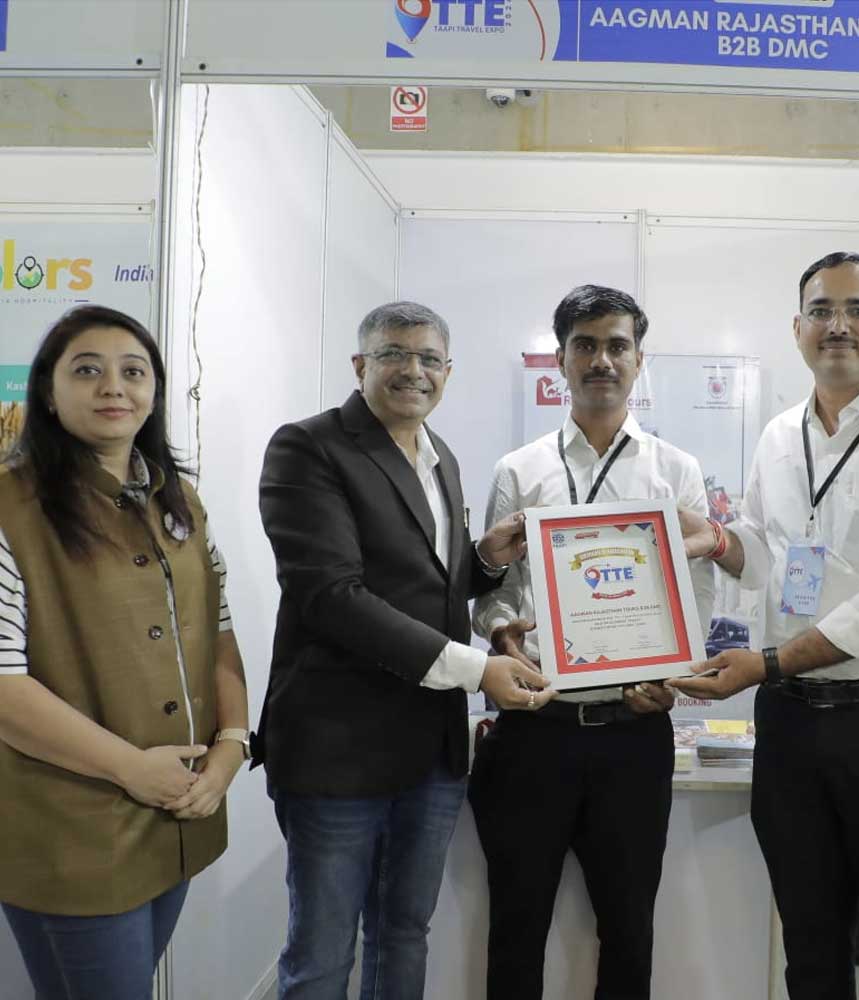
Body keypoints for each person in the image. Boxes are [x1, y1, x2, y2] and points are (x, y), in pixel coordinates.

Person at [670, 251, 859, 1000]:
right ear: (797, 328)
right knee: (808, 944)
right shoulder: (779, 434)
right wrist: (719, 541)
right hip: (793, 726)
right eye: (822, 311)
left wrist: (769, 664)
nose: (839, 325)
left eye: (858, 310)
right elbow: (766, 553)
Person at [256, 301, 556, 1000]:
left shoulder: (439, 454)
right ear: (360, 365)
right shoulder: (308, 447)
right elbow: (333, 596)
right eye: (394, 353)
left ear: (448, 372)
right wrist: (479, 670)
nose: (413, 370)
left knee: (403, 934)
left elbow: (426, 583)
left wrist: (485, 558)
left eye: (429, 359)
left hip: (429, 750)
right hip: (337, 749)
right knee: (323, 953)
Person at [468, 284, 715, 1000]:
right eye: (585, 345)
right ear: (561, 359)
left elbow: (698, 593)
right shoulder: (519, 469)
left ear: (639, 360)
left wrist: (674, 671)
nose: (601, 359)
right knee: (517, 925)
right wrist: (500, 631)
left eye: (616, 345)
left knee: (629, 928)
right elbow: (494, 591)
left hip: (634, 734)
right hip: (534, 729)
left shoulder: (676, 470)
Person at [0, 305, 250, 1000]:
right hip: (70, 826)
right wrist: (131, 769)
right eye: (88, 370)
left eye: (133, 371)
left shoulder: (179, 499)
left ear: (154, 392)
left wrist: (232, 747)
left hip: (177, 815)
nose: (114, 386)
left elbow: (218, 630)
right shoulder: (11, 506)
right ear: (49, 392)